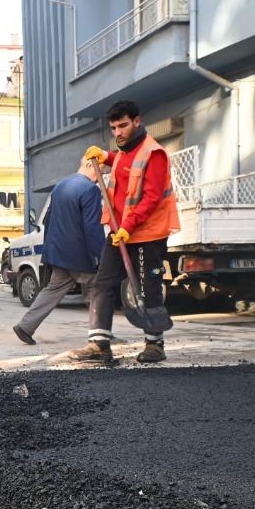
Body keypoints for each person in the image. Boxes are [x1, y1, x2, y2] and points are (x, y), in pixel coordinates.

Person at [80, 98, 180, 365]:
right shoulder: (124, 152)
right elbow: (124, 167)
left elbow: (151, 197)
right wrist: (106, 156)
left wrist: (128, 225)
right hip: (119, 231)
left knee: (149, 288)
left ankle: (155, 345)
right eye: (113, 128)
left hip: (148, 234)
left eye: (123, 126)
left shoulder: (154, 153)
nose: (118, 133)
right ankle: (99, 344)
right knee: (103, 282)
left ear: (137, 121)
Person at [12, 150, 106, 345]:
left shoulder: (60, 186)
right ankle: (100, 336)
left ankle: (25, 326)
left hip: (58, 254)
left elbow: (47, 220)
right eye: (102, 170)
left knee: (52, 290)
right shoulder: (91, 190)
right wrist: (99, 257)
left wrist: (49, 250)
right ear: (90, 165)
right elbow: (93, 227)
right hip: (81, 257)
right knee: (98, 291)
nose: (102, 176)